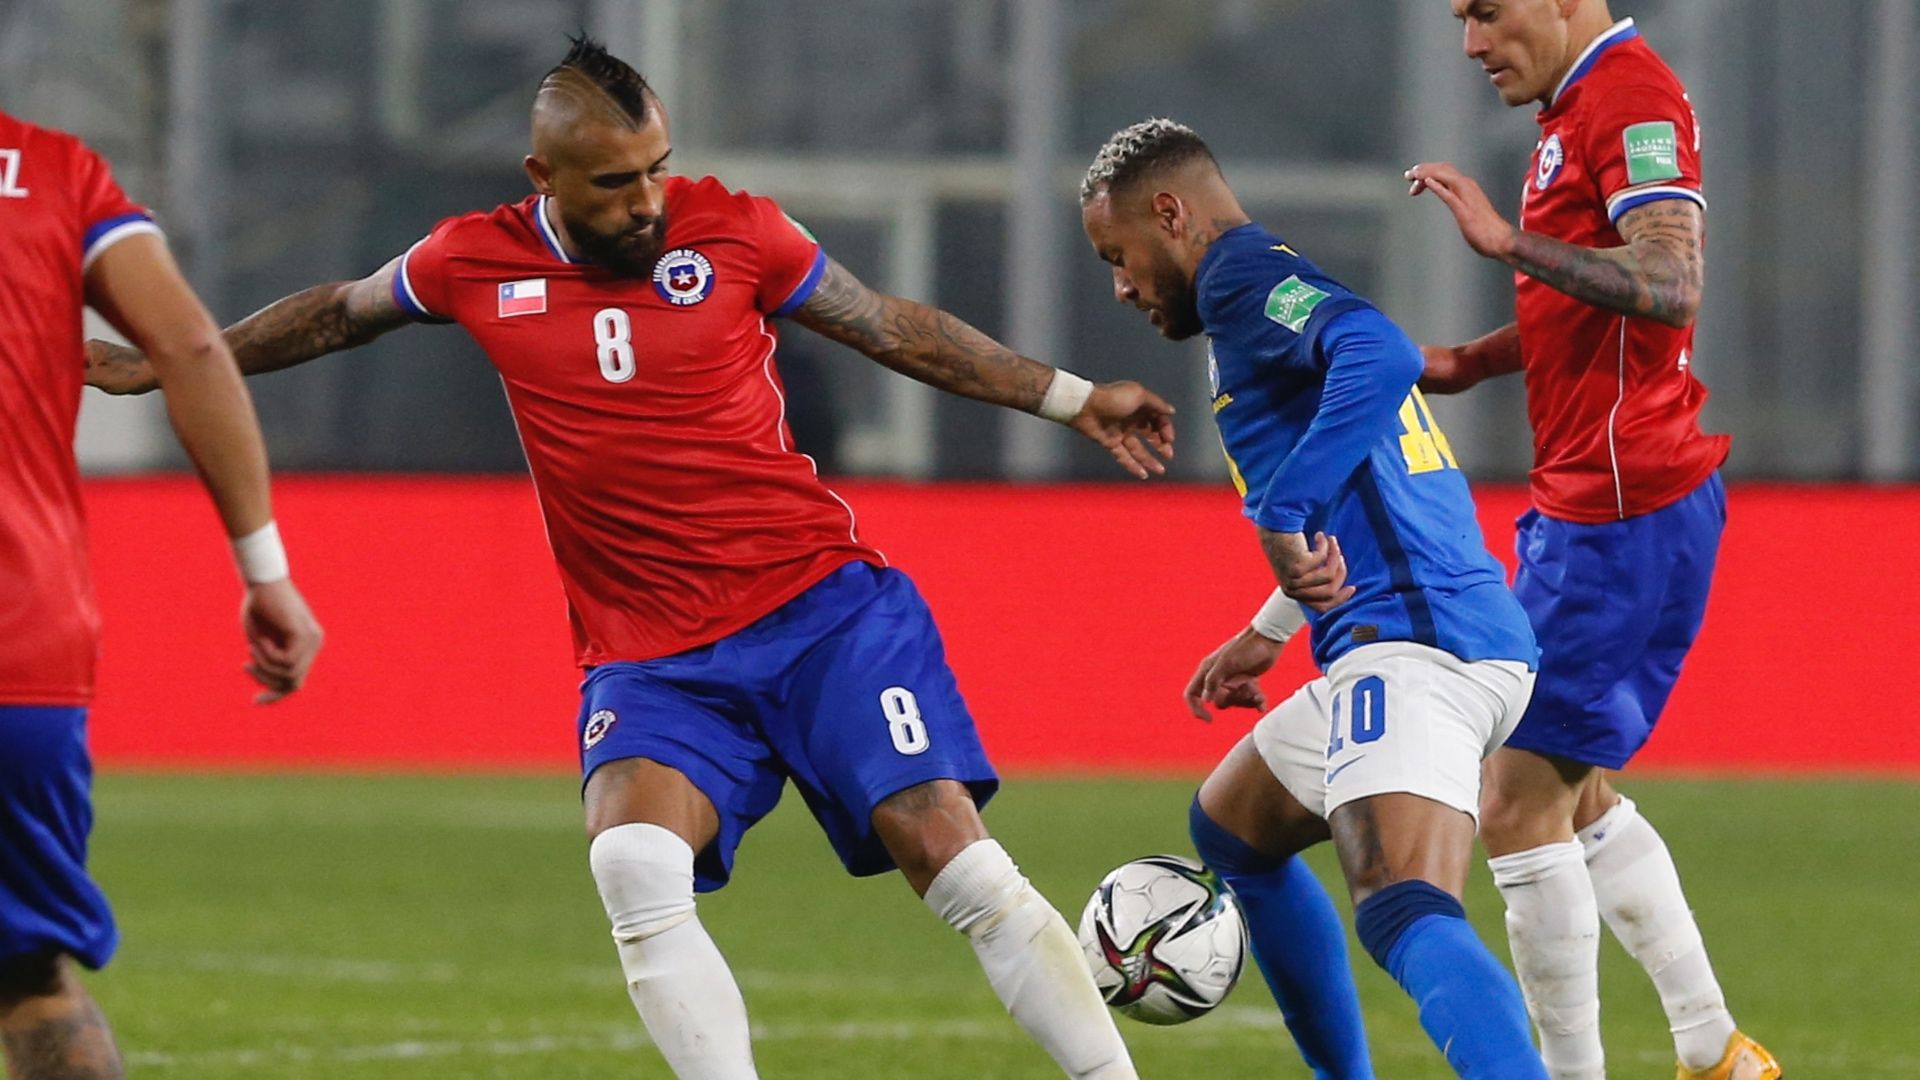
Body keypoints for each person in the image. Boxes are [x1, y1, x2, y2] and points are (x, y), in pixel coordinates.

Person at [87, 37, 1168, 1080]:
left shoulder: (738, 231)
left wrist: (1073, 398)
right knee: (631, 863)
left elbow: (893, 327)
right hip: (654, 660)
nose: (646, 201)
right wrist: (173, 362)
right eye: (611, 183)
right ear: (542, 175)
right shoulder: (471, 258)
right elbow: (335, 314)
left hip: (820, 614)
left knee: (950, 855)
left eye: (654, 168)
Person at [1082, 117, 1547, 1080]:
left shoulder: (1243, 279)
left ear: (1170, 213)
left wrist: (1284, 509)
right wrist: (1272, 626)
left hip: (1420, 643)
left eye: (1118, 256)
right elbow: (1358, 461)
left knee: (1402, 906)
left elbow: (1381, 353)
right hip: (1408, 634)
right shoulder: (1254, 286)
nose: (1119, 286)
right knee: (1232, 831)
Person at [1405, 2, 1779, 1077]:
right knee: (1575, 794)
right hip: (1605, 503)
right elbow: (1594, 308)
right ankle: (1715, 1050)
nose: (1471, 42)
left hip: (1621, 512)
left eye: (1485, 10)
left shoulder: (1631, 95)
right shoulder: (1580, 106)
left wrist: (1506, 240)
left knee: (1514, 805)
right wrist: (1471, 363)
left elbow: (1670, 281)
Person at [0, 112, 324, 1079]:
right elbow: (186, 342)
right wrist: (266, 573)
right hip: (23, 642)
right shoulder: (55, 172)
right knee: (28, 979)